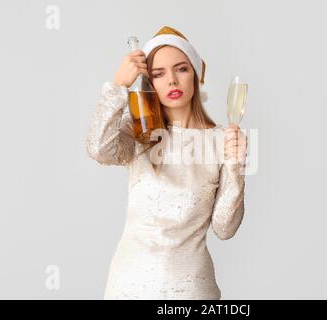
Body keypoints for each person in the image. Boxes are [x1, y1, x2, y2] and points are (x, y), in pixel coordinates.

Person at [86, 26, 247, 299]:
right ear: (149, 83)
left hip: (192, 291)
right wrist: (119, 87)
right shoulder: (140, 132)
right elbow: (99, 149)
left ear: (196, 75)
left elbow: (225, 228)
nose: (171, 80)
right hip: (127, 287)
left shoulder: (221, 140)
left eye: (181, 69)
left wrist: (235, 167)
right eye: (158, 74)